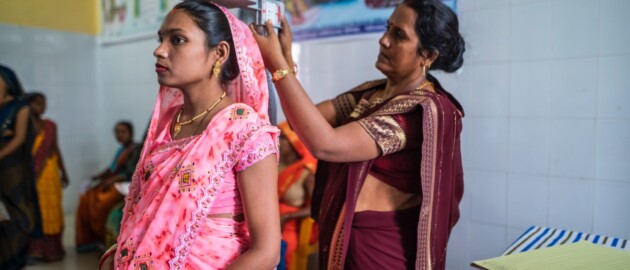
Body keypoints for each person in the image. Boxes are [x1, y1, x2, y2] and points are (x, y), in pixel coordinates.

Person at [251, 0, 465, 269]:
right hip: (347, 235)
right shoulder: (372, 95)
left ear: (428, 56)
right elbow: (302, 124)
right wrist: (286, 62)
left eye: (399, 35)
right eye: (387, 29)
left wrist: (279, 68)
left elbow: (325, 145)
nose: (384, 41)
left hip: (381, 250)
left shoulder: (419, 111)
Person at [99, 1, 281, 269]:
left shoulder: (245, 132)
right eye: (161, 39)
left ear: (219, 53)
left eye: (178, 40)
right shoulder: (166, 126)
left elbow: (266, 253)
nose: (159, 50)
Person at [0, 65, 40, 270]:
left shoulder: (20, 107)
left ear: (7, 82)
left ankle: (15, 258)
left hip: (12, 168)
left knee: (18, 213)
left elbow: (18, 138)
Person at [75, 121, 137, 252]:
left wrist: (112, 179)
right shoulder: (121, 149)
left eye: (123, 132)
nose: (120, 135)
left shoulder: (136, 149)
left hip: (125, 186)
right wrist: (97, 177)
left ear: (131, 133)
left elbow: (132, 172)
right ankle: (90, 239)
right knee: (87, 196)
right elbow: (111, 169)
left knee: (103, 202)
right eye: (117, 132)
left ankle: (102, 237)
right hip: (114, 182)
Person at [27, 92, 69, 262]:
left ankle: (53, 250)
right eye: (37, 103)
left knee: (52, 209)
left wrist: (64, 172)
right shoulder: (24, 125)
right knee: (36, 210)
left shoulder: (50, 125)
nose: (42, 106)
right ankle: (36, 250)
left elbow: (55, 149)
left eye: (43, 102)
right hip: (32, 174)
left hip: (50, 173)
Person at [277, 121, 317, 269]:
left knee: (282, 258)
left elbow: (316, 209)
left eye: (283, 138)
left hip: (288, 227)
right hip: (267, 220)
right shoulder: (274, 163)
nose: (278, 141)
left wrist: (287, 217)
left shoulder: (306, 173)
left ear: (295, 143)